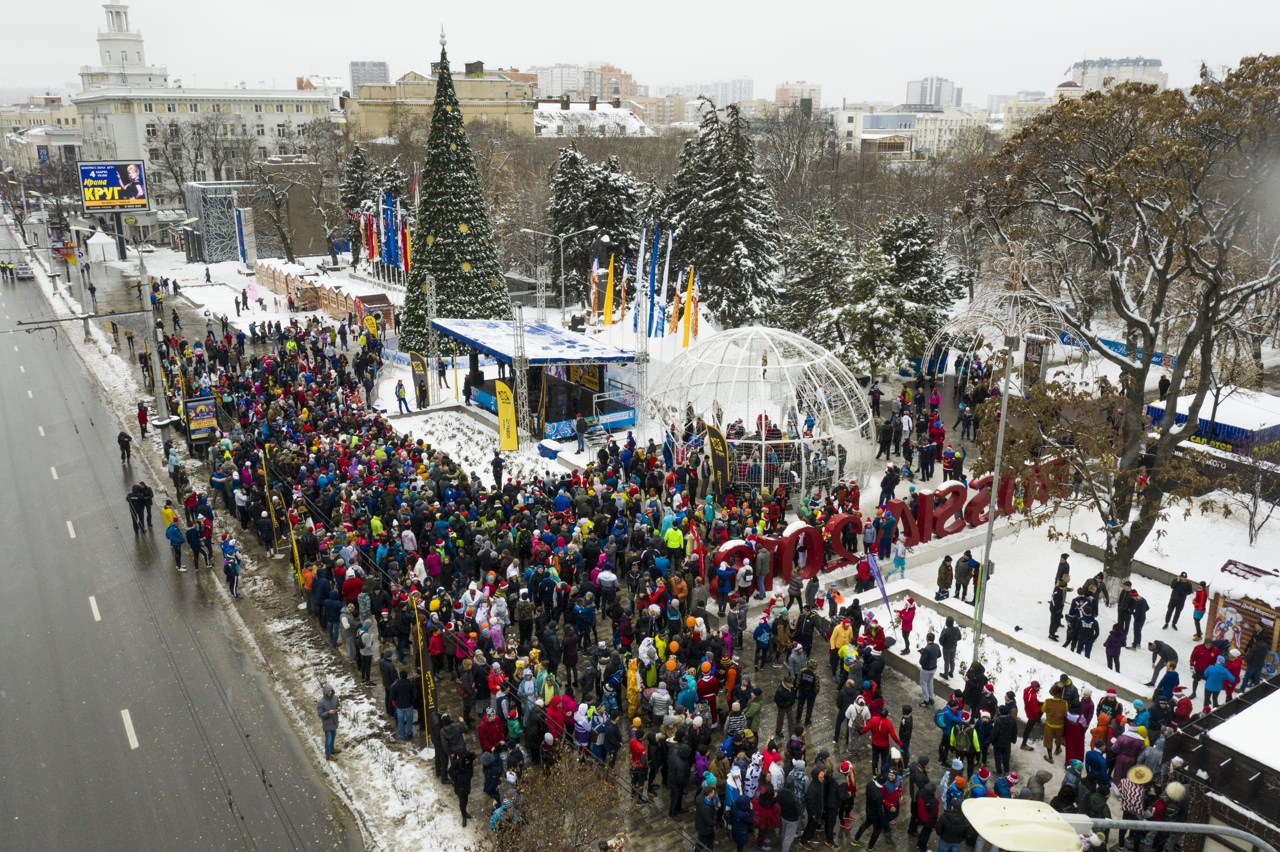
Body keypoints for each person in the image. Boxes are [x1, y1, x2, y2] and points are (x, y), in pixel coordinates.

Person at [317, 683, 341, 760]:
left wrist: (339, 708)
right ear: (325, 692)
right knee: (328, 739)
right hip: (327, 723)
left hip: (334, 721)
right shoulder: (321, 702)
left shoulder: (335, 698)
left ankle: (332, 748)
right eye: (328, 691)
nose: (330, 693)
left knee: (333, 736)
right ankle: (328, 755)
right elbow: (320, 714)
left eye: (331, 691)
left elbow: (338, 705)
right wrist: (328, 713)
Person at [918, 633, 941, 705]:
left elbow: (922, 661)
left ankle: (926, 700)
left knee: (923, 683)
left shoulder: (926, 649)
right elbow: (939, 655)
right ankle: (931, 698)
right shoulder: (937, 646)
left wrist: (922, 653)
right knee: (930, 683)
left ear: (927, 638)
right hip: (934, 667)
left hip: (926, 669)